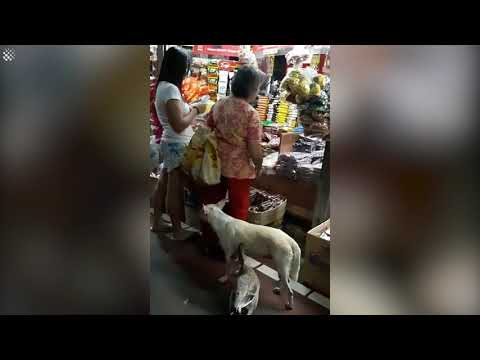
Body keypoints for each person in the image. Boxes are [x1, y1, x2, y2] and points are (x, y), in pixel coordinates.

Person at [198, 65, 264, 259]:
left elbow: (207, 129)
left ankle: (210, 244)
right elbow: (254, 149)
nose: (258, 92)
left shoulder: (220, 104)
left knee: (210, 206)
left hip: (214, 165)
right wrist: (258, 165)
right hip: (239, 170)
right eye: (257, 88)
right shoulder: (251, 113)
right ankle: (234, 252)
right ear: (251, 89)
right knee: (238, 211)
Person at [153, 46, 207, 240]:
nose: (187, 71)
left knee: (163, 184)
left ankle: (157, 222)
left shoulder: (164, 87)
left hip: (171, 142)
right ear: (179, 68)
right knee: (174, 189)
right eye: (185, 67)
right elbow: (178, 125)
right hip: (177, 144)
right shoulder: (170, 89)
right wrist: (196, 109)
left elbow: (176, 120)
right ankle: (177, 231)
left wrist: (191, 115)